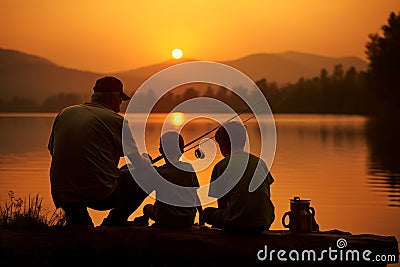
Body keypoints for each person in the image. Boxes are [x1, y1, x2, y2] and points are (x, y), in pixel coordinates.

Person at [48, 76, 151, 227]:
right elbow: (138, 165)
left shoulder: (65, 113)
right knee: (149, 175)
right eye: (121, 100)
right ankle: (114, 223)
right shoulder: (117, 120)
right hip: (99, 195)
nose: (120, 106)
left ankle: (78, 219)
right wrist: (146, 160)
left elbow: (54, 152)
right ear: (113, 98)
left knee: (123, 170)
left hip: (62, 193)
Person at [203, 121, 275, 235]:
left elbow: (222, 205)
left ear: (223, 143)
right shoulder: (259, 162)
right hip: (264, 222)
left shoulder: (221, 166)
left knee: (207, 212)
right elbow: (267, 195)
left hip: (236, 225)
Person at [133, 131, 204, 228]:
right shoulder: (189, 168)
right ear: (182, 151)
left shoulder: (158, 172)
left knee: (147, 208)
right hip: (188, 219)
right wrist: (201, 216)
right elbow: (195, 195)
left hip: (164, 218)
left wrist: (146, 165)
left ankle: (146, 222)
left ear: (161, 151)